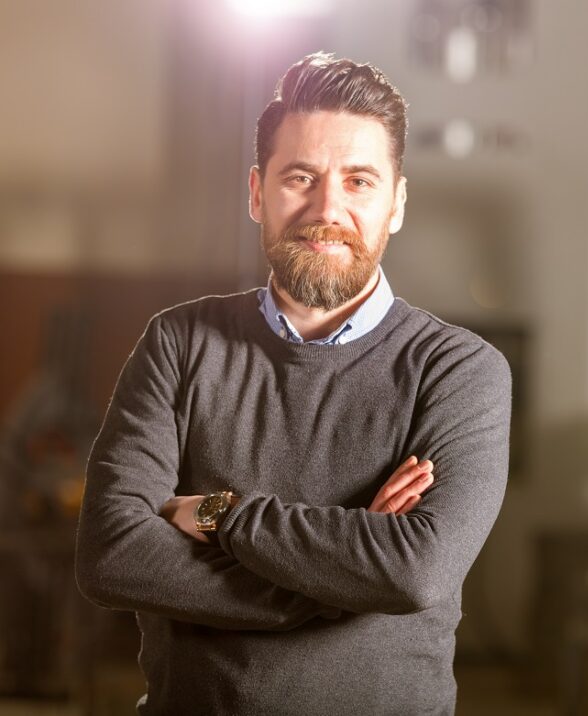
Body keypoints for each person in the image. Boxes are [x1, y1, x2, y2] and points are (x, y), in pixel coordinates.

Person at [75, 52, 511, 715]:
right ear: (257, 193)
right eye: (300, 176)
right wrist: (343, 577)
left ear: (396, 203)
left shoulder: (459, 370)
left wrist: (220, 513)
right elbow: (111, 554)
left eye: (359, 181)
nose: (327, 208)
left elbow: (414, 571)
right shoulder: (180, 343)